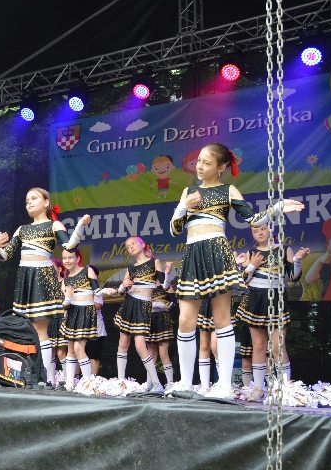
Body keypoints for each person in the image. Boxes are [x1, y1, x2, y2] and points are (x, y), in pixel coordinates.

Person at [168, 142, 305, 398]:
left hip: (217, 253)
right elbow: (175, 229)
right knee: (185, 320)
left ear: (221, 167)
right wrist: (184, 206)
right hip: (193, 253)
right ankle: (185, 382)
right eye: (198, 161)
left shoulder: (227, 190)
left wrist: (277, 207)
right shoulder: (189, 191)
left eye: (207, 162)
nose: (199, 166)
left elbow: (253, 219)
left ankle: (224, 385)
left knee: (222, 319)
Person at [0, 187, 91, 387]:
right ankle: (30, 374)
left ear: (46, 202)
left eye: (34, 198)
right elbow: (6, 255)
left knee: (39, 328)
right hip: (25, 277)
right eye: (27, 199)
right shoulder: (22, 229)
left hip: (42, 277)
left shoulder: (54, 225)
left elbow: (69, 246)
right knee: (26, 328)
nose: (29, 202)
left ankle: (45, 377)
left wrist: (80, 225)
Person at [236, 224, 309, 400]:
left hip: (277, 298)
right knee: (259, 345)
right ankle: (258, 389)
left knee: (278, 346)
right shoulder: (251, 252)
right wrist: (252, 265)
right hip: (255, 300)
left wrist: (297, 260)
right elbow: (243, 281)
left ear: (271, 229)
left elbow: (294, 277)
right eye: (255, 231)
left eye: (262, 229)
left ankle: (285, 390)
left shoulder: (284, 249)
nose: (259, 233)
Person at [102, 236, 164, 391]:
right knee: (123, 342)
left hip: (143, 305)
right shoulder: (131, 268)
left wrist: (167, 274)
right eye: (128, 246)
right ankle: (121, 382)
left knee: (140, 345)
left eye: (133, 243)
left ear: (143, 244)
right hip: (129, 303)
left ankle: (156, 383)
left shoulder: (154, 262)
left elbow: (162, 284)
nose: (131, 247)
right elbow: (121, 292)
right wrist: (124, 285)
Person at [58, 249, 99, 391]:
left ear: (78, 258)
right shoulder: (65, 281)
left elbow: (97, 291)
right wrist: (68, 298)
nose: (67, 261)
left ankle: (87, 382)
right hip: (72, 314)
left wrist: (108, 291)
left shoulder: (87, 271)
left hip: (86, 312)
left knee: (78, 348)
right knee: (70, 349)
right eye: (64, 258)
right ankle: (69, 382)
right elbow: (64, 305)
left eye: (70, 257)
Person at [304, 216, 331, 300]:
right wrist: (319, 261)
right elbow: (309, 280)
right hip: (329, 302)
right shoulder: (326, 265)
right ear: (328, 246)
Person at [147, 261, 176, 389]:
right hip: (149, 319)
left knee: (164, 353)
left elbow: (174, 303)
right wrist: (155, 304)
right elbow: (139, 304)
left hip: (163, 319)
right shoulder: (145, 286)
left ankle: (170, 384)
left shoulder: (166, 285)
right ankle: (150, 383)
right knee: (150, 353)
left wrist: (164, 305)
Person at [85, 264, 108, 376]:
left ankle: (93, 379)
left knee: (93, 355)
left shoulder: (96, 290)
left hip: (96, 328)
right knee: (80, 354)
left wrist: (83, 300)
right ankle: (77, 378)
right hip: (81, 327)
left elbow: (98, 306)